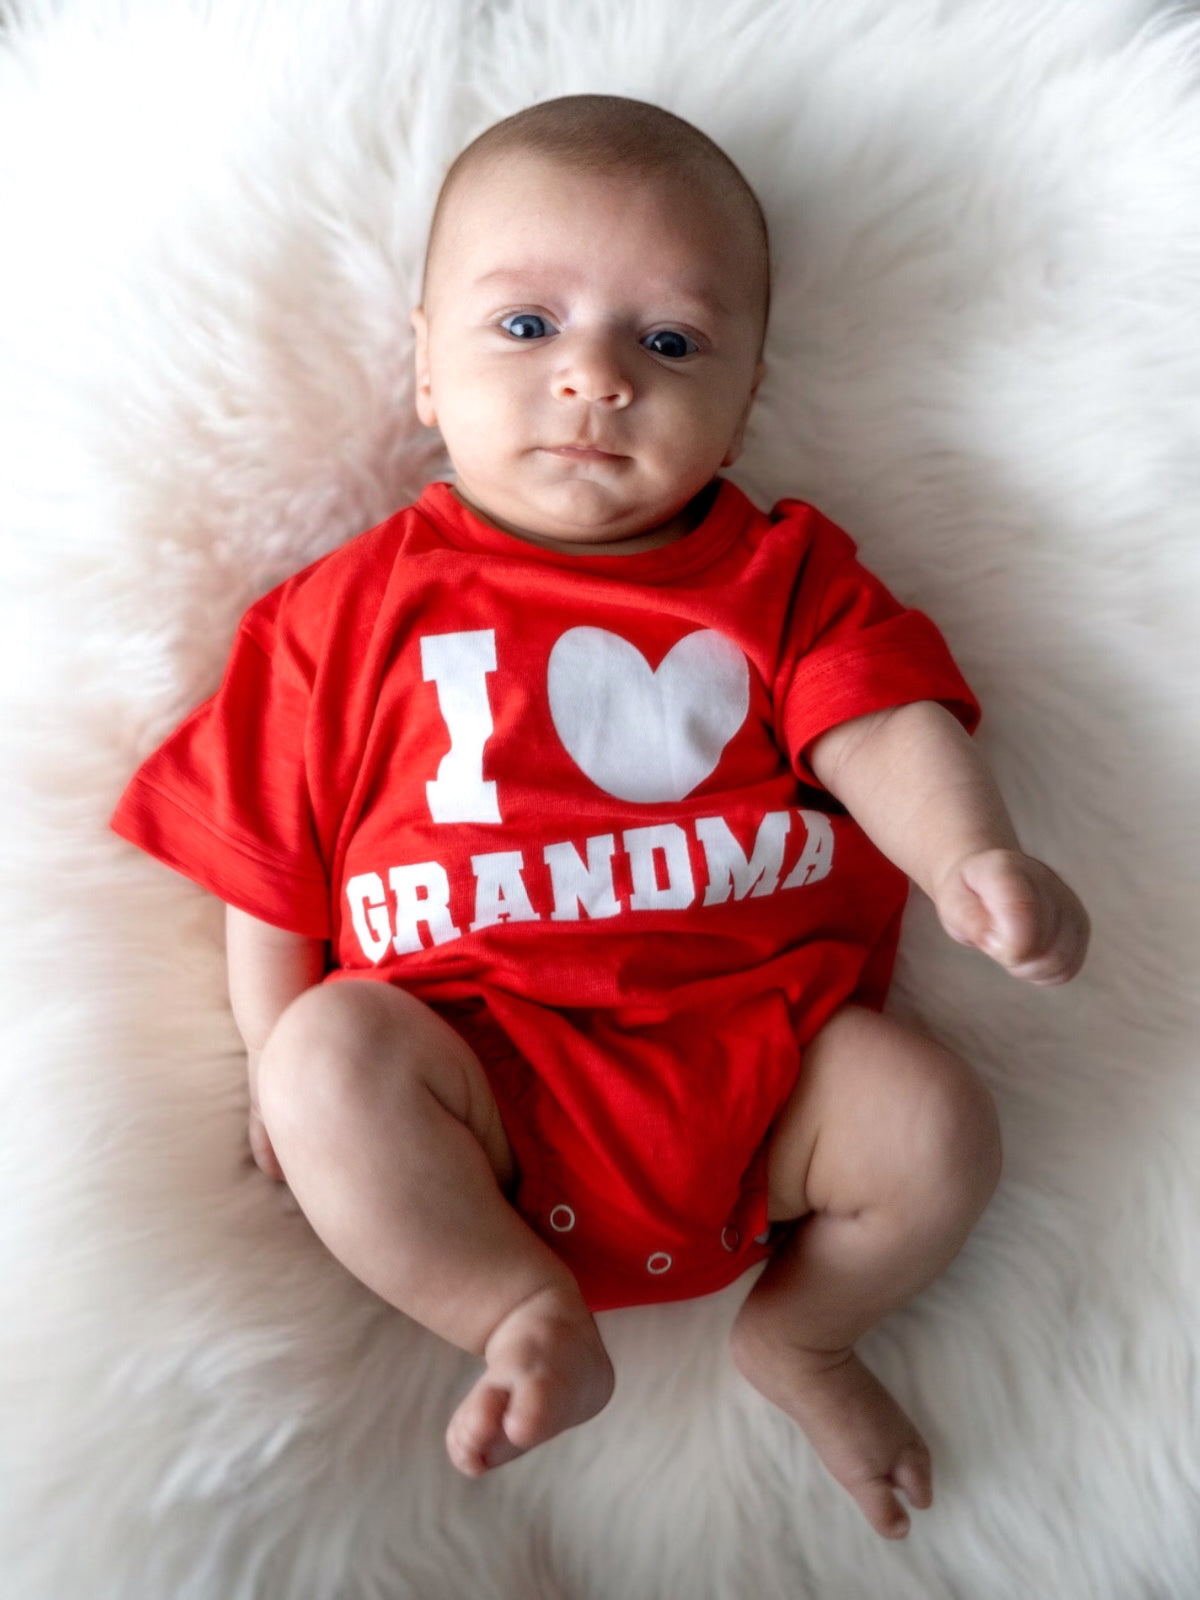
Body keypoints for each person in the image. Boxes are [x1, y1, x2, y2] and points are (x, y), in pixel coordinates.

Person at [111, 94, 1089, 1541]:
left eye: (670, 342)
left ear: (748, 392)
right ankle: (517, 1308)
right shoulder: (340, 615)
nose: (595, 380)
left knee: (937, 1125)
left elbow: (882, 722)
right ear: (426, 368)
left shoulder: (783, 577)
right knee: (327, 1053)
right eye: (525, 330)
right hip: (477, 1083)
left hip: (765, 1083)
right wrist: (275, 1062)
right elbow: (271, 865)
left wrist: (974, 857)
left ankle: (804, 1331)